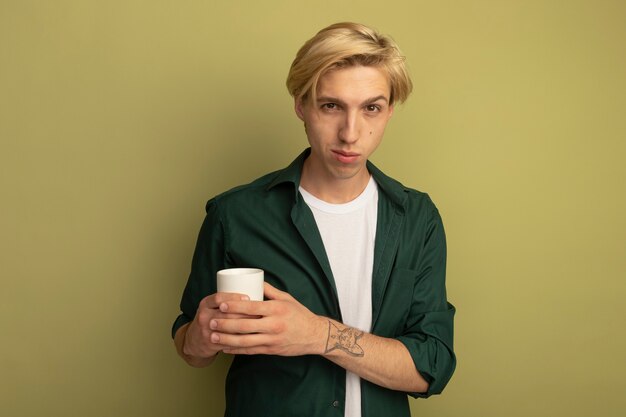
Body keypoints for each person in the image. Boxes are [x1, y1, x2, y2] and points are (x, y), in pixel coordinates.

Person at [172, 22, 456, 417]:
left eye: (371, 107)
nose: (350, 133)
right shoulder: (234, 214)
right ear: (301, 105)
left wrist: (317, 335)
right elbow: (191, 347)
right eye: (331, 106)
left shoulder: (417, 218)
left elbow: (432, 366)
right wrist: (199, 339)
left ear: (389, 111)